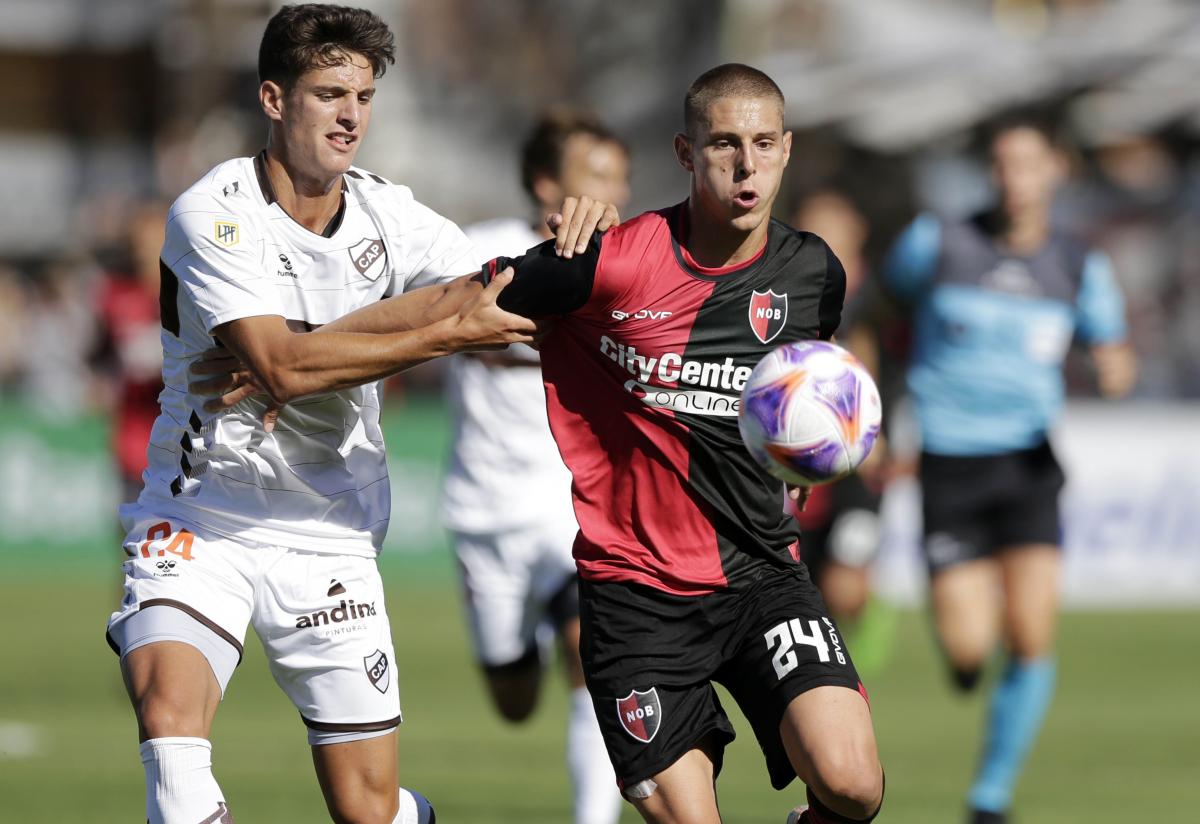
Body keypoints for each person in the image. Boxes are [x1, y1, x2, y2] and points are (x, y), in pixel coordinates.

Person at [104, 6, 614, 824]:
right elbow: (283, 368)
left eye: (365, 96)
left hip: (331, 530)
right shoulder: (215, 211)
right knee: (170, 723)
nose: (351, 115)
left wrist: (596, 254)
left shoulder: (391, 216)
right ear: (273, 99)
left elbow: (489, 289)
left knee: (369, 813)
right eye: (329, 92)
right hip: (203, 516)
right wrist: (443, 329)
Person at [476, 64, 884, 824]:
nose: (745, 162)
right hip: (637, 597)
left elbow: (796, 398)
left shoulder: (813, 275)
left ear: (787, 149)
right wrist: (308, 362)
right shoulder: (609, 260)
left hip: (762, 575)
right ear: (685, 153)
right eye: (723, 143)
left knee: (853, 784)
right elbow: (462, 309)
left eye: (763, 142)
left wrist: (803, 457)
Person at [882, 115, 1136, 824]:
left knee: (1031, 635)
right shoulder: (936, 243)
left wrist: (1113, 366)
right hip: (949, 466)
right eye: (1000, 163)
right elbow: (878, 314)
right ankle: (964, 659)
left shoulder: (1080, 264)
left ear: (1056, 170)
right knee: (969, 646)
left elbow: (1110, 350)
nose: (1013, 178)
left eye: (1028, 163)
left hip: (1028, 466)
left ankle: (989, 798)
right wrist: (867, 411)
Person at [441, 111, 629, 824]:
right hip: (486, 511)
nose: (614, 190)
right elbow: (420, 320)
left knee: (593, 655)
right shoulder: (483, 251)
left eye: (620, 177)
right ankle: (523, 645)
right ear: (548, 183)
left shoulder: (624, 264)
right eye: (597, 174)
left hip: (572, 502)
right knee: (514, 701)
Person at [787, 190, 895, 677]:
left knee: (844, 584)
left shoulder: (876, 297)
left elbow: (889, 371)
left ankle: (866, 613)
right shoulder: (784, 290)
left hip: (860, 461)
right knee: (803, 582)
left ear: (856, 233)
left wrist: (878, 436)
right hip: (801, 457)